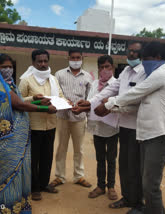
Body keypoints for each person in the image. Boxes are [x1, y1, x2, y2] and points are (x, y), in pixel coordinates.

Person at [98, 41, 165, 214]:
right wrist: (108, 105)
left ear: (157, 58)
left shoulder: (162, 73)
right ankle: (138, 205)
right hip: (146, 134)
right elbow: (138, 104)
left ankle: (143, 207)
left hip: (159, 134)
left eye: (146, 59)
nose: (143, 62)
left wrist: (109, 104)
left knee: (150, 184)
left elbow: (136, 93)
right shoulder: (144, 73)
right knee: (138, 174)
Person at [77, 42, 146, 212]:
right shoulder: (124, 73)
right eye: (129, 51)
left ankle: (127, 196)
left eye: (135, 52)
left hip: (128, 127)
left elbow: (132, 99)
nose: (132, 55)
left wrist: (108, 106)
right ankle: (121, 194)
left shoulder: (145, 73)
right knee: (117, 163)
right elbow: (100, 96)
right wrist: (89, 103)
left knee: (128, 164)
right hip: (112, 126)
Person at [0, 54, 56, 213]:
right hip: (7, 141)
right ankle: (8, 209)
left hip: (18, 139)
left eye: (10, 66)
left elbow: (20, 101)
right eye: (4, 67)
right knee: (9, 176)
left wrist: (37, 101)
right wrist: (44, 108)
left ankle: (20, 207)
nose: (8, 69)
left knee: (21, 174)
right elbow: (18, 105)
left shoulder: (10, 84)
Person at [19, 49, 66, 201]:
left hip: (51, 124)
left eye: (45, 61)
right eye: (39, 61)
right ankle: (34, 188)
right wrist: (35, 100)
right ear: (33, 63)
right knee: (33, 158)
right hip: (33, 126)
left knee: (47, 156)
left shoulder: (53, 79)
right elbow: (19, 101)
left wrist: (65, 102)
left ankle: (44, 184)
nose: (43, 64)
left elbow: (59, 95)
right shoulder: (26, 80)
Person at [73, 55, 119, 200]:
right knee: (100, 158)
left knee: (111, 158)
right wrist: (82, 108)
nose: (104, 70)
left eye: (108, 67)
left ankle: (111, 186)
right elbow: (91, 103)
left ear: (112, 68)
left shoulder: (117, 84)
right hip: (97, 127)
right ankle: (100, 186)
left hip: (111, 128)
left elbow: (117, 104)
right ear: (98, 68)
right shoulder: (94, 84)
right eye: (102, 67)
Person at [50, 49, 93, 188]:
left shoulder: (87, 77)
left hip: (79, 118)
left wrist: (82, 108)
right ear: (68, 58)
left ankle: (78, 176)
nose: (75, 60)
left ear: (82, 58)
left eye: (78, 58)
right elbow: (56, 94)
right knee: (61, 148)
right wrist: (64, 102)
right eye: (73, 58)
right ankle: (59, 177)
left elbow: (89, 98)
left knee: (79, 149)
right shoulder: (59, 74)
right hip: (63, 116)